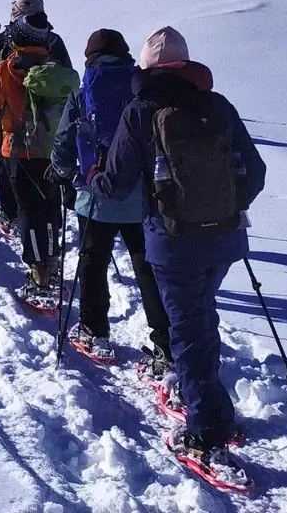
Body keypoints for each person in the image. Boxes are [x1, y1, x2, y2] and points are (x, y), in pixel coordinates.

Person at [94, 26, 266, 487]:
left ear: (146, 68)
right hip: (225, 239)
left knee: (187, 330)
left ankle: (205, 434)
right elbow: (257, 170)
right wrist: (228, 207)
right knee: (199, 317)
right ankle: (214, 409)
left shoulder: (140, 111)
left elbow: (119, 180)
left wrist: (92, 178)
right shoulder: (218, 105)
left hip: (173, 240)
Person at [52, 28, 172, 373]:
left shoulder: (83, 92)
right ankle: (164, 345)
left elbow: (62, 144)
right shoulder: (143, 90)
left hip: (95, 195)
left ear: (90, 58)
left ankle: (94, 329)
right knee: (147, 269)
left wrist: (70, 175)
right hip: (142, 196)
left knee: (93, 262)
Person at [0, 10, 76, 305]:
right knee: (51, 208)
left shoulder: (6, 68)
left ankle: (38, 276)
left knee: (29, 212)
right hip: (53, 151)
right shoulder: (57, 70)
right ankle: (51, 267)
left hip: (18, 151)